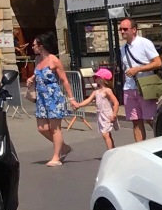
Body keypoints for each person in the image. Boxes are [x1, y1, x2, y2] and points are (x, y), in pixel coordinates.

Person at [29, 32, 76, 166]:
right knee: (42, 128)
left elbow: (64, 81)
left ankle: (56, 157)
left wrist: (71, 98)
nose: (32, 47)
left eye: (34, 45)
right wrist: (31, 79)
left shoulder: (54, 60)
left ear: (41, 46)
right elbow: (37, 74)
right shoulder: (38, 61)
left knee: (55, 128)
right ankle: (64, 147)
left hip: (53, 97)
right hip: (41, 99)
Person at [118, 17, 162, 142]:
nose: (122, 32)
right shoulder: (123, 49)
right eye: (120, 29)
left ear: (134, 30)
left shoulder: (144, 43)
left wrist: (138, 69)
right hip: (129, 88)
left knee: (150, 119)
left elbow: (158, 63)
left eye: (125, 29)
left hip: (145, 86)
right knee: (136, 121)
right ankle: (141, 147)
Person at [72, 67, 121, 151]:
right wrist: (79, 105)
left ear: (102, 79)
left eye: (97, 77)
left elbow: (116, 102)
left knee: (105, 134)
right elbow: (88, 100)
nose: (95, 79)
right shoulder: (96, 91)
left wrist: (114, 114)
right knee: (106, 134)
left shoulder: (107, 91)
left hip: (107, 114)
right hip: (100, 114)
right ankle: (113, 149)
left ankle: (110, 151)